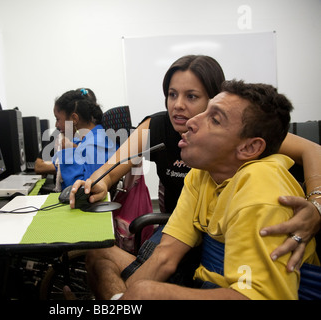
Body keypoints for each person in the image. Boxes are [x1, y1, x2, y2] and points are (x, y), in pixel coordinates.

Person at [71, 55, 321, 271]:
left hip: (224, 230)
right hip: (180, 223)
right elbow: (113, 167)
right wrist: (99, 183)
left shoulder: (242, 135)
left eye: (191, 96)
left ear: (214, 101)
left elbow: (313, 151)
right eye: (172, 94)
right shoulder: (157, 127)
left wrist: (317, 205)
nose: (178, 105)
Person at [50, 88, 116, 190]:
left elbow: (82, 190)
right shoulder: (82, 139)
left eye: (58, 119)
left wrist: (68, 152)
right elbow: (56, 164)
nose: (56, 125)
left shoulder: (98, 144)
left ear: (74, 119)